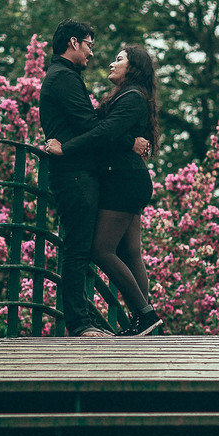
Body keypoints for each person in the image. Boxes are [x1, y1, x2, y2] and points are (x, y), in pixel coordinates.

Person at [38, 18, 148, 338]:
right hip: (74, 174)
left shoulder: (67, 76)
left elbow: (93, 124)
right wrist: (129, 141)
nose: (91, 53)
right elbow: (90, 125)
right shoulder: (63, 77)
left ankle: (143, 317)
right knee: (78, 249)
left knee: (94, 248)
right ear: (73, 42)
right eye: (89, 45)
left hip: (83, 173)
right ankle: (81, 323)